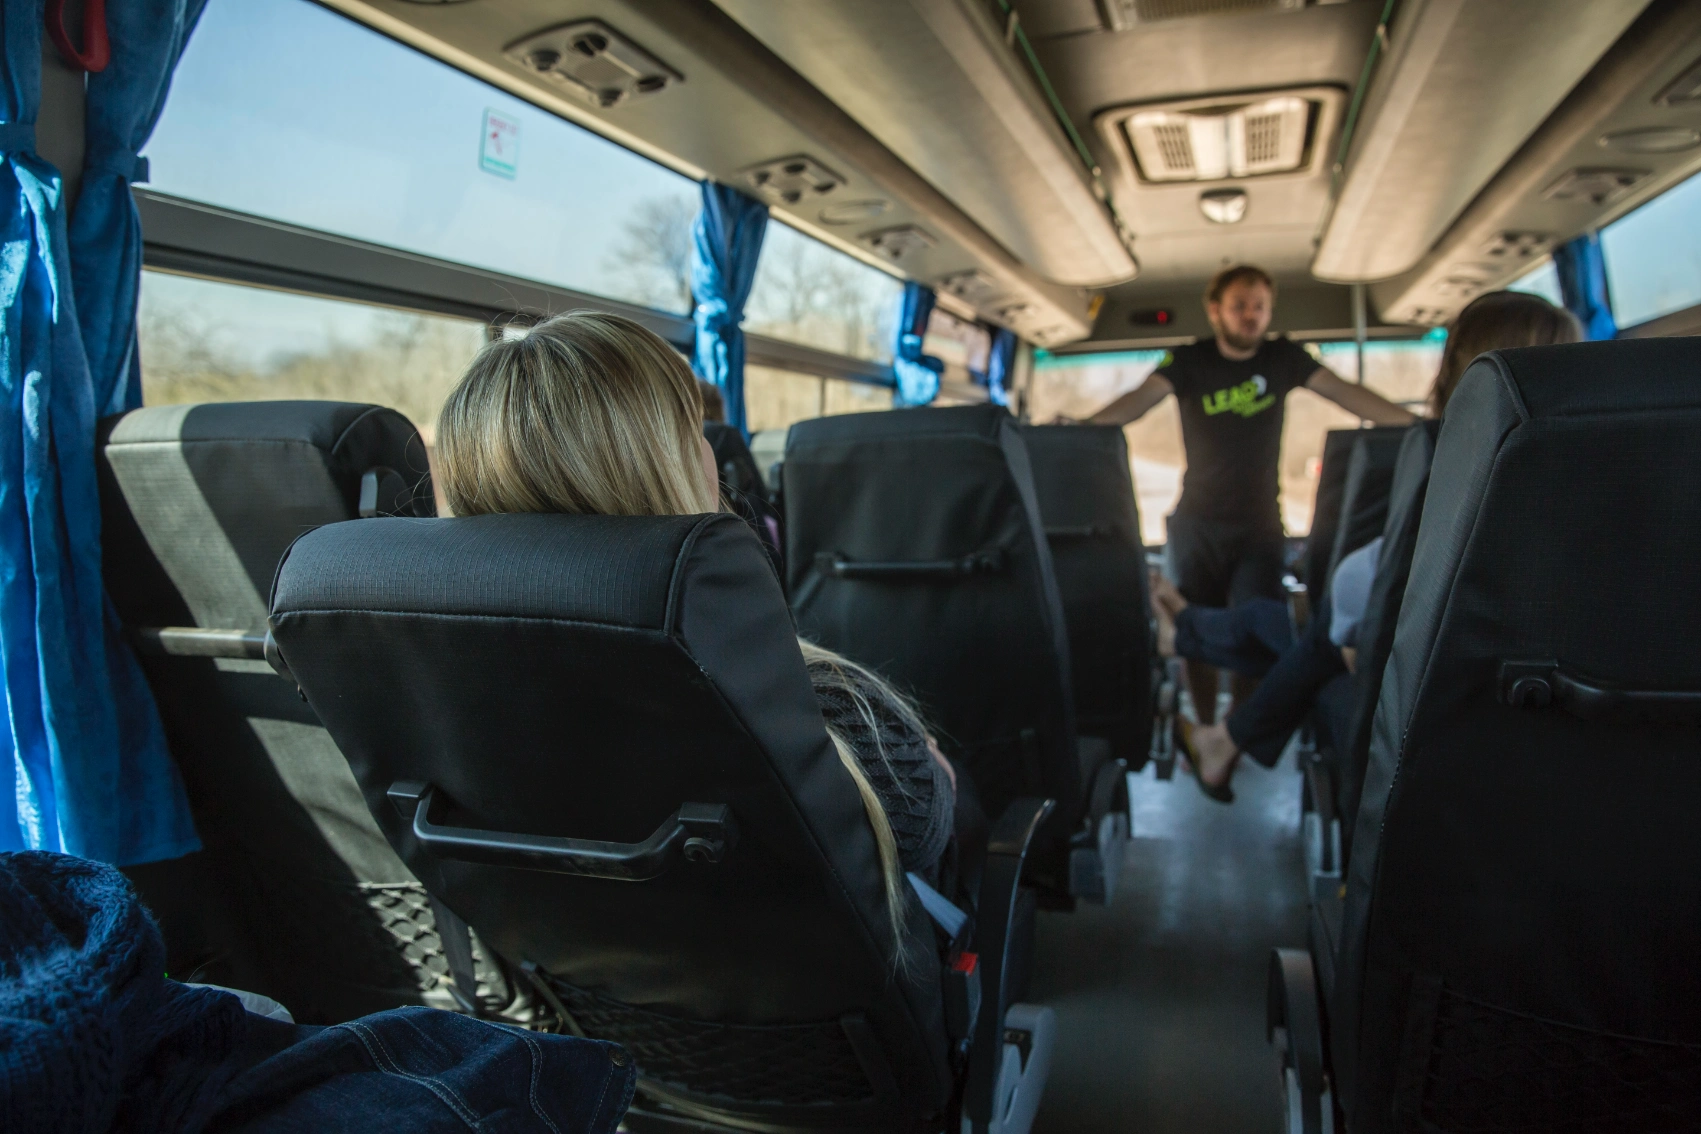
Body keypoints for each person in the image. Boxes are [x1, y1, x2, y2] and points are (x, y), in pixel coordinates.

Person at [433, 310, 965, 958]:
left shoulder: (441, 694)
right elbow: (925, 826)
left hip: (578, 1017)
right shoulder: (826, 709)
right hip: (813, 1033)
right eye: (693, 431)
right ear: (669, 462)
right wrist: (925, 757)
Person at [1149, 290, 1583, 801]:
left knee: (1321, 632)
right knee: (1312, 630)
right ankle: (1209, 697)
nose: (1253, 314)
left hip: (1432, 684)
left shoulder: (1456, 466)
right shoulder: (1599, 471)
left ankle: (1191, 648)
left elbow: (1377, 591)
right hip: (1566, 693)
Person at [1072, 265, 1415, 728]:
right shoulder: (1189, 361)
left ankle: (1237, 723)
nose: (1251, 316)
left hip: (1260, 525)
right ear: (1215, 311)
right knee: (1197, 629)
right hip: (1198, 522)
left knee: (1257, 633)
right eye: (1239, 306)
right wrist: (1076, 431)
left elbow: (1345, 393)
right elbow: (1138, 400)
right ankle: (1208, 722)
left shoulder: (1283, 358)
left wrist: (1417, 427)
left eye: (1259, 307)